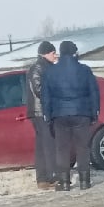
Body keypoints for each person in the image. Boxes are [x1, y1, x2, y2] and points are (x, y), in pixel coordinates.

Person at [42, 39, 101, 191]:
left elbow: (45, 96)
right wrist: (95, 112)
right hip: (82, 113)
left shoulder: (50, 72)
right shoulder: (85, 70)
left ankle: (65, 182)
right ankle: (84, 181)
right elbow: (94, 93)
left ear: (61, 53)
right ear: (74, 52)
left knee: (62, 148)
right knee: (83, 147)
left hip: (59, 115)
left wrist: (47, 115)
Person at [25, 39, 59, 190]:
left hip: (39, 111)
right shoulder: (39, 67)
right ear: (46, 53)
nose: (55, 55)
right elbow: (39, 89)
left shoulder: (44, 66)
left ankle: (43, 178)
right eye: (53, 52)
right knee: (48, 144)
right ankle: (51, 177)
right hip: (41, 111)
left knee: (42, 145)